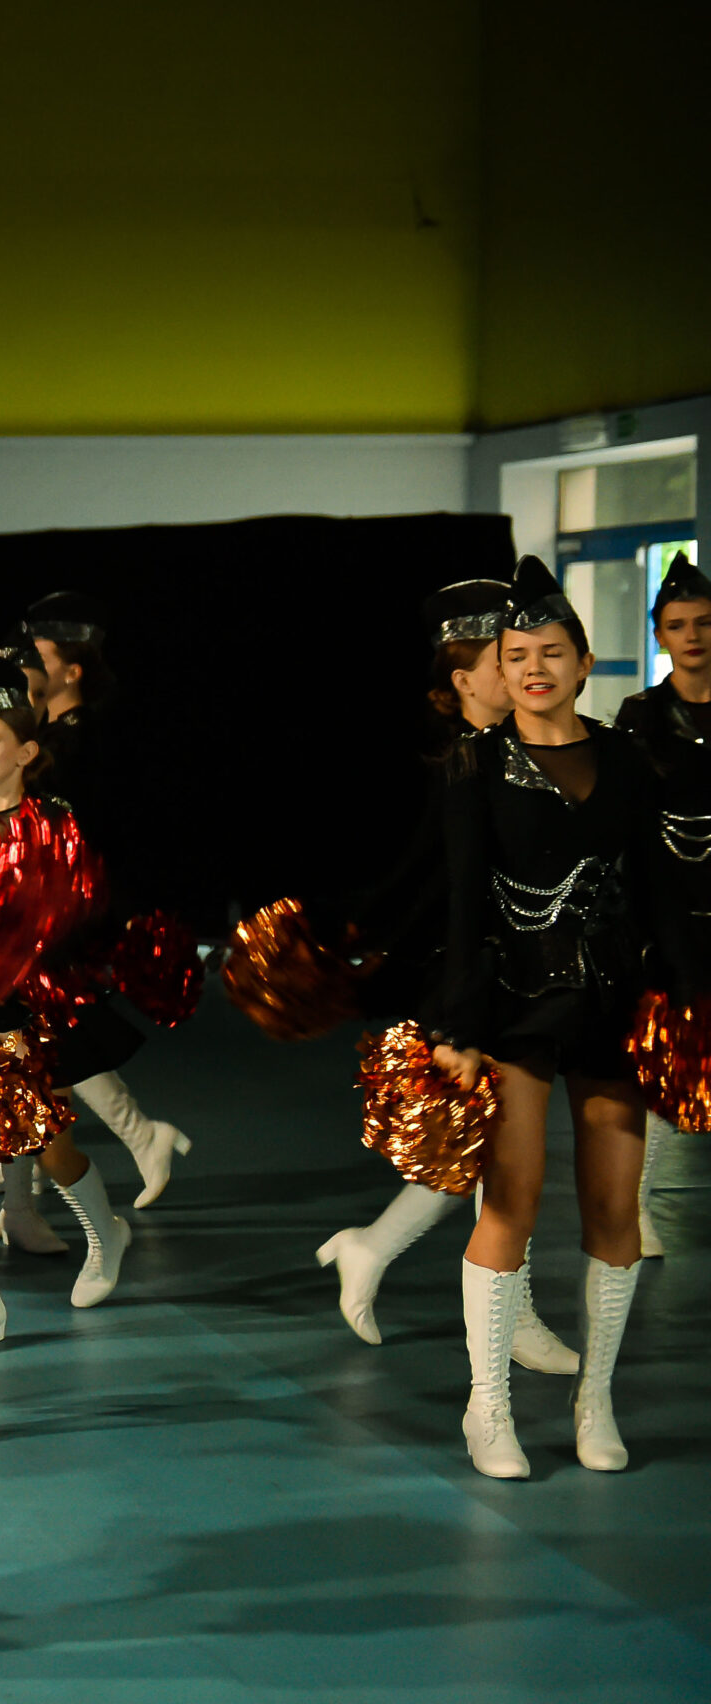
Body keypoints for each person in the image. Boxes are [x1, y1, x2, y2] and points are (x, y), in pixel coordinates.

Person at [430, 555, 662, 1478]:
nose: (533, 669)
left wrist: (686, 1000)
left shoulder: (628, 758)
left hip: (612, 1003)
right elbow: (461, 903)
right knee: (511, 1202)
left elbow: (659, 892)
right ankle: (487, 1410)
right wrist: (457, 1028)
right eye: (517, 655)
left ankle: (594, 1399)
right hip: (514, 1005)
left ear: (585, 662)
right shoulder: (474, 764)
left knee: (614, 1210)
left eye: (552, 653)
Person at [315, 580, 576, 1369]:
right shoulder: (458, 763)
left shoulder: (518, 753)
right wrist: (362, 942)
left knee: (493, 1145)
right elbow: (426, 877)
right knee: (490, 1142)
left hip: (508, 969)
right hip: (463, 974)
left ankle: (392, 1256)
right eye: (503, 660)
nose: (519, 671)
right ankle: (403, 1260)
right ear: (464, 679)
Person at [0, 656, 129, 1333]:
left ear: (26, 751)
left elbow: (71, 915)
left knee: (54, 1149)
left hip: (34, 1009)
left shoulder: (53, 819)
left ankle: (106, 1236)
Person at [21, 589, 193, 1207]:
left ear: (72, 670)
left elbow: (84, 829)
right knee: (46, 1032)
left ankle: (31, 1169)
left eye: (41, 656)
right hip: (44, 900)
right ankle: (30, 1166)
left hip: (64, 905)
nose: (30, 664)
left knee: (51, 1029)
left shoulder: (78, 738)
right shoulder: (48, 734)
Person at [613, 553, 708, 1258]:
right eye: (678, 625)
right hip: (665, 904)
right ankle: (634, 1210)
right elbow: (628, 820)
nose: (693, 636)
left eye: (704, 623)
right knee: (653, 1060)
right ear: (659, 635)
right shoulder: (640, 716)